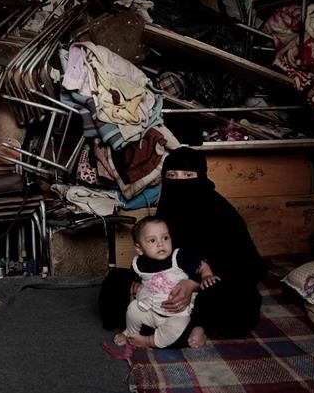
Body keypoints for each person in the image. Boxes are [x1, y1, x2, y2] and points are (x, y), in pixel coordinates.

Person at [100, 147, 267, 348]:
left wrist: (194, 284)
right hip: (163, 285)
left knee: (241, 299)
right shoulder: (168, 206)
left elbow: (244, 266)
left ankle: (192, 325)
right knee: (115, 282)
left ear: (201, 177)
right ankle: (174, 329)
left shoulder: (222, 212)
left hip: (207, 286)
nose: (179, 182)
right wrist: (140, 281)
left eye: (188, 175)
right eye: (172, 175)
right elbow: (155, 252)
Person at [113, 216, 218, 349]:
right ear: (139, 248)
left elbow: (200, 264)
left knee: (175, 329)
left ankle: (148, 341)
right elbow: (137, 279)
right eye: (152, 240)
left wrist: (207, 275)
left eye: (165, 238)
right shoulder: (137, 264)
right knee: (133, 309)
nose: (161, 244)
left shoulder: (177, 257)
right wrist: (136, 286)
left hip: (178, 314)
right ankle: (130, 333)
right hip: (151, 310)